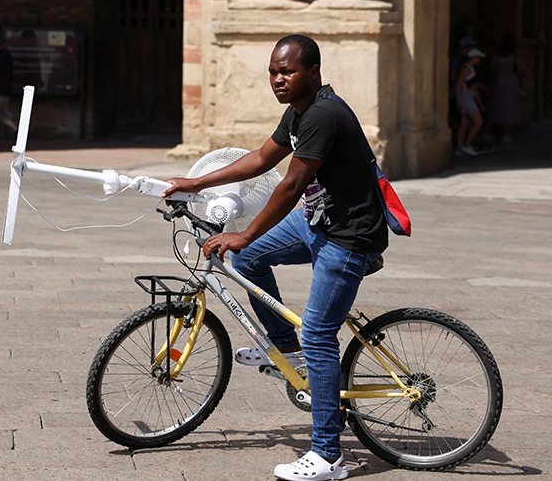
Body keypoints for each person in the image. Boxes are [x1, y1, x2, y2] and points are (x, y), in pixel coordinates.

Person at [162, 34, 387, 481]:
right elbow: (262, 159)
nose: (278, 79)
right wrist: (197, 183)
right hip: (320, 220)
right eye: (273, 72)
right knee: (245, 262)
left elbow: (291, 185)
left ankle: (328, 456)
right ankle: (287, 350)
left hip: (347, 236)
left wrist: (245, 232)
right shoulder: (300, 111)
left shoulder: (323, 114)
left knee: (320, 336)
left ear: (313, 73)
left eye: (287, 71)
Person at [486, 33, 525, 144]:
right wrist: (521, 77)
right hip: (511, 81)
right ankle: (506, 134)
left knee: (495, 105)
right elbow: (518, 67)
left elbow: (493, 70)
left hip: (499, 80)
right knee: (509, 106)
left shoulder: (496, 53)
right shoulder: (514, 53)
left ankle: (488, 132)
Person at [454, 46, 487, 156]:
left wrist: (479, 101)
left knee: (465, 123)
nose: (479, 60)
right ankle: (467, 145)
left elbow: (474, 86)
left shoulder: (471, 69)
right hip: (466, 97)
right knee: (478, 122)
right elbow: (459, 84)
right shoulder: (467, 69)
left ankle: (459, 148)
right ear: (473, 57)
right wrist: (459, 101)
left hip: (469, 96)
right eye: (478, 57)